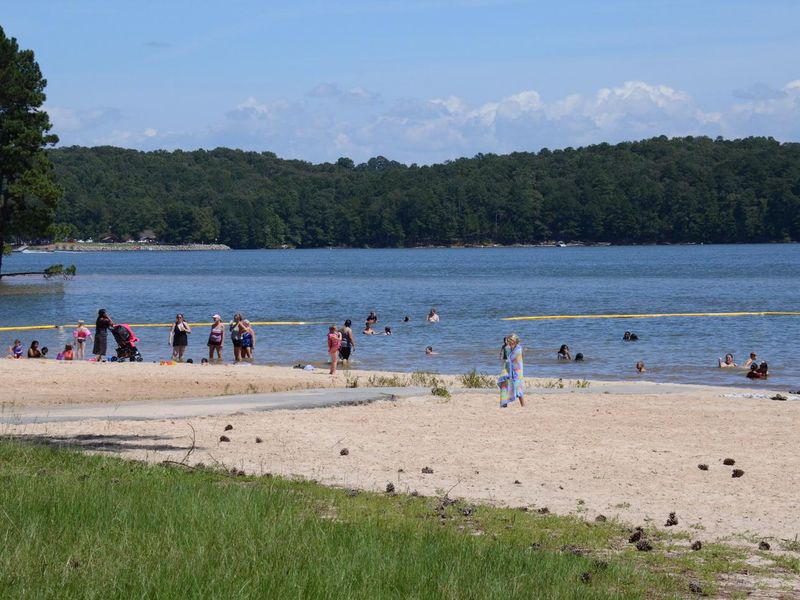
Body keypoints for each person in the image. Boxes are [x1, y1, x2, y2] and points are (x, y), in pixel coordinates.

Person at [498, 333, 525, 407]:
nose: (509, 343)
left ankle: (523, 405)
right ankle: (504, 404)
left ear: (514, 341)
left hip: (517, 371)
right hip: (508, 369)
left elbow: (516, 360)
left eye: (510, 341)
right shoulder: (510, 348)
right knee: (503, 383)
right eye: (508, 341)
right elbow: (506, 357)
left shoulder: (518, 349)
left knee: (518, 388)